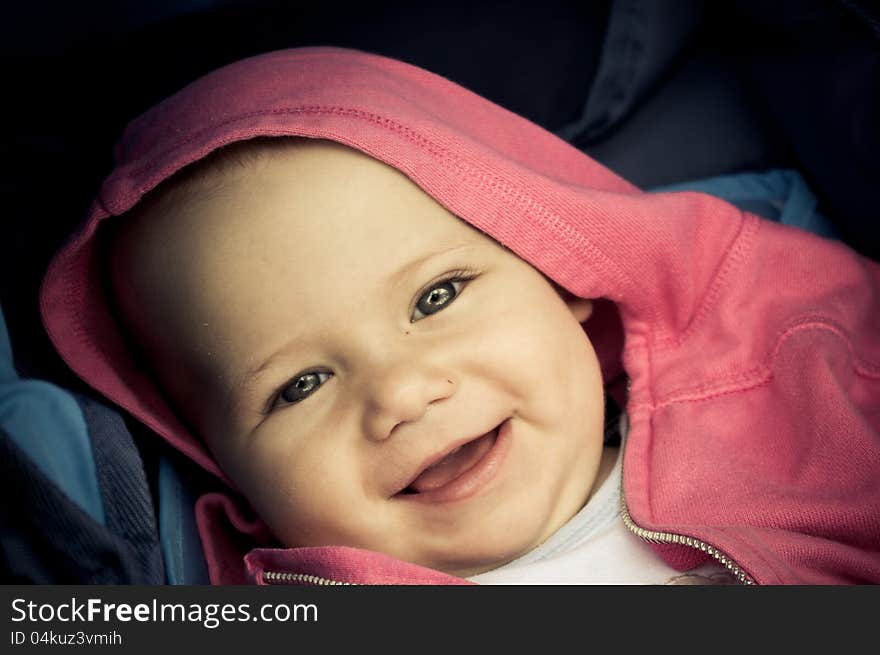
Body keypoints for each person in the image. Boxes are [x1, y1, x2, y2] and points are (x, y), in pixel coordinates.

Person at [40, 46, 880, 585]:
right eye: (299, 384)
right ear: (223, 466)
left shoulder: (807, 417)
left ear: (561, 272)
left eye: (435, 297)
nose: (402, 392)